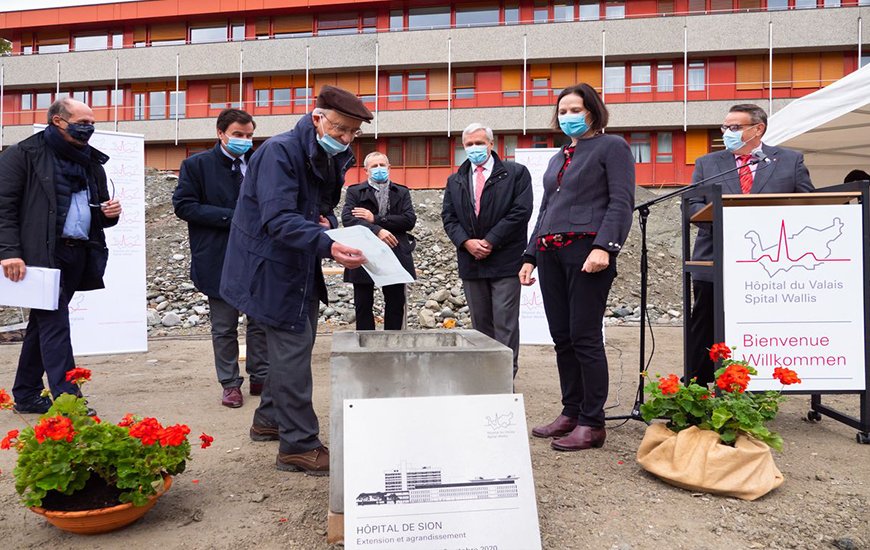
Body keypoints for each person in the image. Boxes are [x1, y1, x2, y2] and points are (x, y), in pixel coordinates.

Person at [220, 85, 369, 475]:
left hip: (296, 263)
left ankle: (268, 420)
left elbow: (320, 210)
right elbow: (278, 219)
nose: (346, 139)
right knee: (292, 356)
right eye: (340, 129)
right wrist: (328, 245)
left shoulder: (327, 155)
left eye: (353, 132)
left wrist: (328, 224)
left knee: (294, 348)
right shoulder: (280, 152)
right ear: (317, 117)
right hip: (269, 268)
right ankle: (298, 446)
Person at [519, 83, 635, 451]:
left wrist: (605, 246)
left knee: (585, 337)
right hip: (550, 253)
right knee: (563, 337)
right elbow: (546, 209)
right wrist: (529, 254)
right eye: (563, 110)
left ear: (592, 111)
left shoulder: (612, 147)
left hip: (587, 251)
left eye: (575, 109)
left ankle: (592, 422)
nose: (568, 116)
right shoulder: (558, 158)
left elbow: (621, 201)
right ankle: (571, 411)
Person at [0, 98, 122, 413]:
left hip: (78, 252)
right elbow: (4, 209)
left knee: (43, 324)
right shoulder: (23, 154)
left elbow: (96, 210)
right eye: (83, 122)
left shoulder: (90, 161)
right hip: (41, 255)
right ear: (58, 121)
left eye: (92, 123)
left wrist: (110, 214)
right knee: (56, 324)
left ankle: (26, 394)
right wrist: (10, 252)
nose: (89, 128)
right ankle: (69, 402)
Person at [685, 103, 814, 385]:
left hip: (772, 265)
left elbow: (808, 205)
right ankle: (698, 384)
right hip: (714, 258)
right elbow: (693, 205)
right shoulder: (708, 163)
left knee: (763, 323)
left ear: (758, 129)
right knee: (706, 324)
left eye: (735, 127)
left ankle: (765, 380)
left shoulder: (789, 161)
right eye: (725, 127)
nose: (727, 132)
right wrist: (730, 229)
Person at [172, 109, 269, 409]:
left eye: (249, 135)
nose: (244, 140)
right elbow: (184, 206)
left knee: (260, 322)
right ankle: (229, 383)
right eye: (238, 135)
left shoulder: (260, 163)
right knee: (224, 326)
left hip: (258, 256)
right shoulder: (197, 165)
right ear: (221, 133)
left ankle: (261, 375)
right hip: (218, 257)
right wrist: (233, 217)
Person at [441, 123, 532, 378]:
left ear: (491, 144)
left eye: (479, 143)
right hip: (472, 263)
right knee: (481, 327)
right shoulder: (456, 179)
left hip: (505, 261)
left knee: (505, 325)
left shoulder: (516, 174)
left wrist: (490, 240)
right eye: (469, 144)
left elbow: (521, 212)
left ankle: (504, 380)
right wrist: (467, 243)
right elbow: (448, 217)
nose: (474, 148)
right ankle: (485, 379)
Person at [342, 152, 416, 330]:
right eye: (374, 166)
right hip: (364, 253)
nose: (379, 169)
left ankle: (392, 345)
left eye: (382, 165)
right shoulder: (354, 192)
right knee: (363, 304)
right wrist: (377, 231)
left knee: (395, 303)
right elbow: (348, 219)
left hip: (395, 250)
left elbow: (409, 220)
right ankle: (366, 346)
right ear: (366, 170)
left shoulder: (401, 191)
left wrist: (375, 219)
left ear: (389, 168)